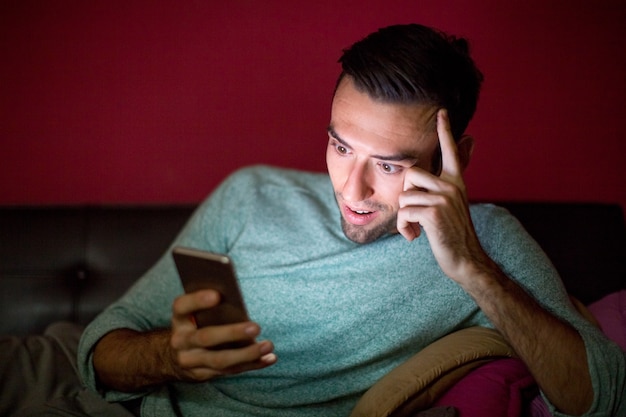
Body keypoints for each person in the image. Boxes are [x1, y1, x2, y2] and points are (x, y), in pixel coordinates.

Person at [77, 24, 625, 417]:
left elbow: (602, 397)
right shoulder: (251, 193)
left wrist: (474, 270)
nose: (352, 188)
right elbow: (102, 348)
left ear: (457, 156)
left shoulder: (489, 242)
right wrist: (169, 357)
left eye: (388, 165)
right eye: (341, 147)